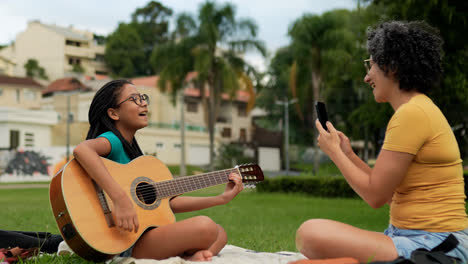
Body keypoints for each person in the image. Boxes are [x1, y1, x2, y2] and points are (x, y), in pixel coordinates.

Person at [294, 21, 468, 263]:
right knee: (308, 243)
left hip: (435, 245)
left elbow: (374, 197)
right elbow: (387, 195)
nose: (367, 77)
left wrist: (333, 153)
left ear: (392, 67)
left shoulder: (411, 114)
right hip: (417, 239)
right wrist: (348, 155)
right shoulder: (418, 109)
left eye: (371, 65)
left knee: (310, 234)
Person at [72, 79, 244, 261]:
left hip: (142, 237)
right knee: (206, 226)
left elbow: (167, 203)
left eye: (142, 98)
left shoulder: (136, 159)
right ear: (113, 113)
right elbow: (82, 150)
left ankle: (194, 258)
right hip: (121, 241)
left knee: (220, 233)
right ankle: (191, 256)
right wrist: (120, 199)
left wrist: (220, 199)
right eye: (134, 99)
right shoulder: (112, 140)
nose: (144, 103)